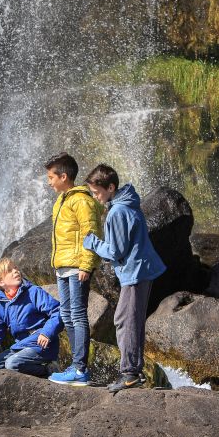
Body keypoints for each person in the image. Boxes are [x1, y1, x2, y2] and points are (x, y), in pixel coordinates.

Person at [82, 164, 166, 393]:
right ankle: (133, 371)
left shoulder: (117, 212)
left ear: (110, 187)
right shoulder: (127, 203)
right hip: (140, 270)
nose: (95, 197)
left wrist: (92, 242)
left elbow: (115, 251)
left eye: (96, 192)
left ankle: (130, 373)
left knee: (126, 320)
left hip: (135, 272)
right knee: (128, 319)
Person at [44, 152, 103, 386]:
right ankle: (75, 366)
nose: (49, 182)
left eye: (51, 177)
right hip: (63, 266)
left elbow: (91, 233)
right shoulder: (62, 200)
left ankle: (80, 369)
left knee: (77, 315)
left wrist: (87, 265)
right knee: (67, 315)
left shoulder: (81, 200)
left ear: (63, 176)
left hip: (78, 266)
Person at [0, 258, 63, 379]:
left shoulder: (33, 292)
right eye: (9, 270)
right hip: (21, 346)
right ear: (0, 282)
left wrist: (47, 332)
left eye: (15, 268)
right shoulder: (0, 303)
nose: (16, 271)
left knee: (12, 364)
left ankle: (49, 369)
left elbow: (58, 311)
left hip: (42, 344)